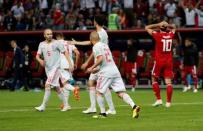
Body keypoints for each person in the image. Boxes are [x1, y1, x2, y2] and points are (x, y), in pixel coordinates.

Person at [87, 31, 140, 118]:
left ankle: (102, 114)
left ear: (91, 39)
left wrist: (92, 67)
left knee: (99, 93)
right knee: (120, 93)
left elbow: (100, 59)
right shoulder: (105, 45)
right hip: (115, 71)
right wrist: (96, 70)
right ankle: (134, 106)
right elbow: (106, 61)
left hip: (106, 73)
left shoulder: (96, 46)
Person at [72, 15, 116, 115]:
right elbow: (92, 44)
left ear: (95, 22)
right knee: (91, 83)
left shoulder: (101, 33)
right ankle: (93, 107)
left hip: (102, 63)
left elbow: (93, 45)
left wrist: (87, 62)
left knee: (103, 86)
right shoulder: (101, 32)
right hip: (100, 62)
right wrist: (76, 42)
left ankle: (111, 109)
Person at [35, 29, 73, 112]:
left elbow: (65, 52)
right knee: (57, 88)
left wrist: (70, 64)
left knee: (47, 85)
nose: (50, 35)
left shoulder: (57, 43)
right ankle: (66, 105)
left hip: (56, 68)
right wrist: (40, 60)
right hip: (48, 69)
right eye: (48, 34)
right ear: (44, 35)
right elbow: (37, 56)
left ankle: (43, 106)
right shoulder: (41, 44)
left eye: (51, 34)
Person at [145, 21, 176, 108]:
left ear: (160, 28)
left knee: (153, 79)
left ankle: (159, 100)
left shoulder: (157, 35)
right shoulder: (170, 35)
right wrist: (167, 25)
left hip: (159, 61)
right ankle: (168, 103)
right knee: (168, 82)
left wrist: (158, 24)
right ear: (166, 28)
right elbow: (174, 27)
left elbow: (147, 27)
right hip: (168, 61)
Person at [55, 32, 80, 110]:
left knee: (64, 84)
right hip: (70, 64)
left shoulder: (56, 43)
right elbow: (78, 53)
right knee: (66, 84)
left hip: (62, 64)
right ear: (63, 37)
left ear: (57, 38)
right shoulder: (70, 43)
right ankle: (66, 105)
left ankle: (74, 89)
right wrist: (75, 63)